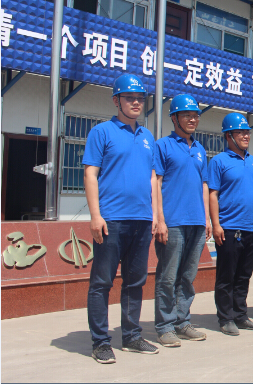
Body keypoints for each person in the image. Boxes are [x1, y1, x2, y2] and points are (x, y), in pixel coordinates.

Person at [83, 73, 160, 363]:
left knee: (135, 281)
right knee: (102, 282)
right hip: (111, 220)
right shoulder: (101, 132)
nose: (136, 103)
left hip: (141, 220)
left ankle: (132, 336)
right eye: (130, 98)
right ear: (116, 100)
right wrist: (95, 215)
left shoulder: (147, 136)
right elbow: (91, 173)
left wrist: (154, 214)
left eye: (140, 98)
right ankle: (101, 341)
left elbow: (153, 178)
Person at [153, 94, 211, 347]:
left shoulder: (199, 149)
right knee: (168, 276)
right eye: (187, 115)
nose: (192, 119)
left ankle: (182, 321)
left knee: (187, 276)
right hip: (173, 221)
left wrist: (207, 218)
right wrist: (160, 219)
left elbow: (204, 185)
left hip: (197, 222)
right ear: (174, 117)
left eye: (196, 115)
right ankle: (165, 326)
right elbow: (156, 182)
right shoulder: (162, 146)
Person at [208, 113, 253, 336]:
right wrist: (216, 224)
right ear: (229, 136)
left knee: (244, 275)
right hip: (230, 228)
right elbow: (213, 194)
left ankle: (240, 315)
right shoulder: (219, 162)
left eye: (247, 132)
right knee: (226, 276)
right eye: (241, 132)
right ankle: (225, 318)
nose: (246, 136)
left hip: (252, 227)